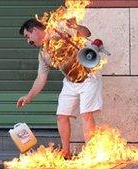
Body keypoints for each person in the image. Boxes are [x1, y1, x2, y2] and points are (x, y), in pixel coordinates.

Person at [16, 18, 103, 159]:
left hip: (88, 77)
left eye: (28, 36)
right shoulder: (43, 54)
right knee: (61, 116)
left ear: (35, 30)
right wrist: (28, 97)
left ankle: (91, 154)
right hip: (70, 82)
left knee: (86, 114)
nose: (28, 41)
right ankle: (66, 152)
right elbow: (41, 78)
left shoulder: (60, 29)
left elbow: (86, 33)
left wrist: (77, 26)